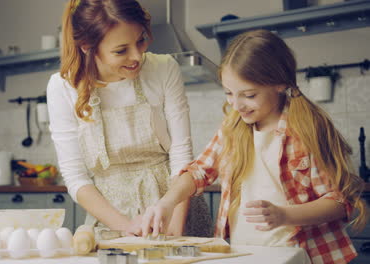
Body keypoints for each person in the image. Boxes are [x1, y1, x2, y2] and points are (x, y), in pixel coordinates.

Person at [141, 29, 368, 263]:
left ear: (280, 83)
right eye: (229, 93)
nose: (237, 105)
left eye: (249, 95)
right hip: (246, 251)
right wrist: (167, 202)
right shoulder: (233, 127)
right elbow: (198, 171)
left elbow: (339, 202)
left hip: (299, 254)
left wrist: (284, 215)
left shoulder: (308, 129)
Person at [47, 0, 212, 238]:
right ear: (86, 46)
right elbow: (76, 177)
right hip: (111, 218)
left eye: (141, 40)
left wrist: (176, 230)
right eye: (121, 50)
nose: (137, 56)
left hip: (174, 209)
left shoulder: (164, 69)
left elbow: (181, 157)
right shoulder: (63, 87)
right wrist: (126, 226)